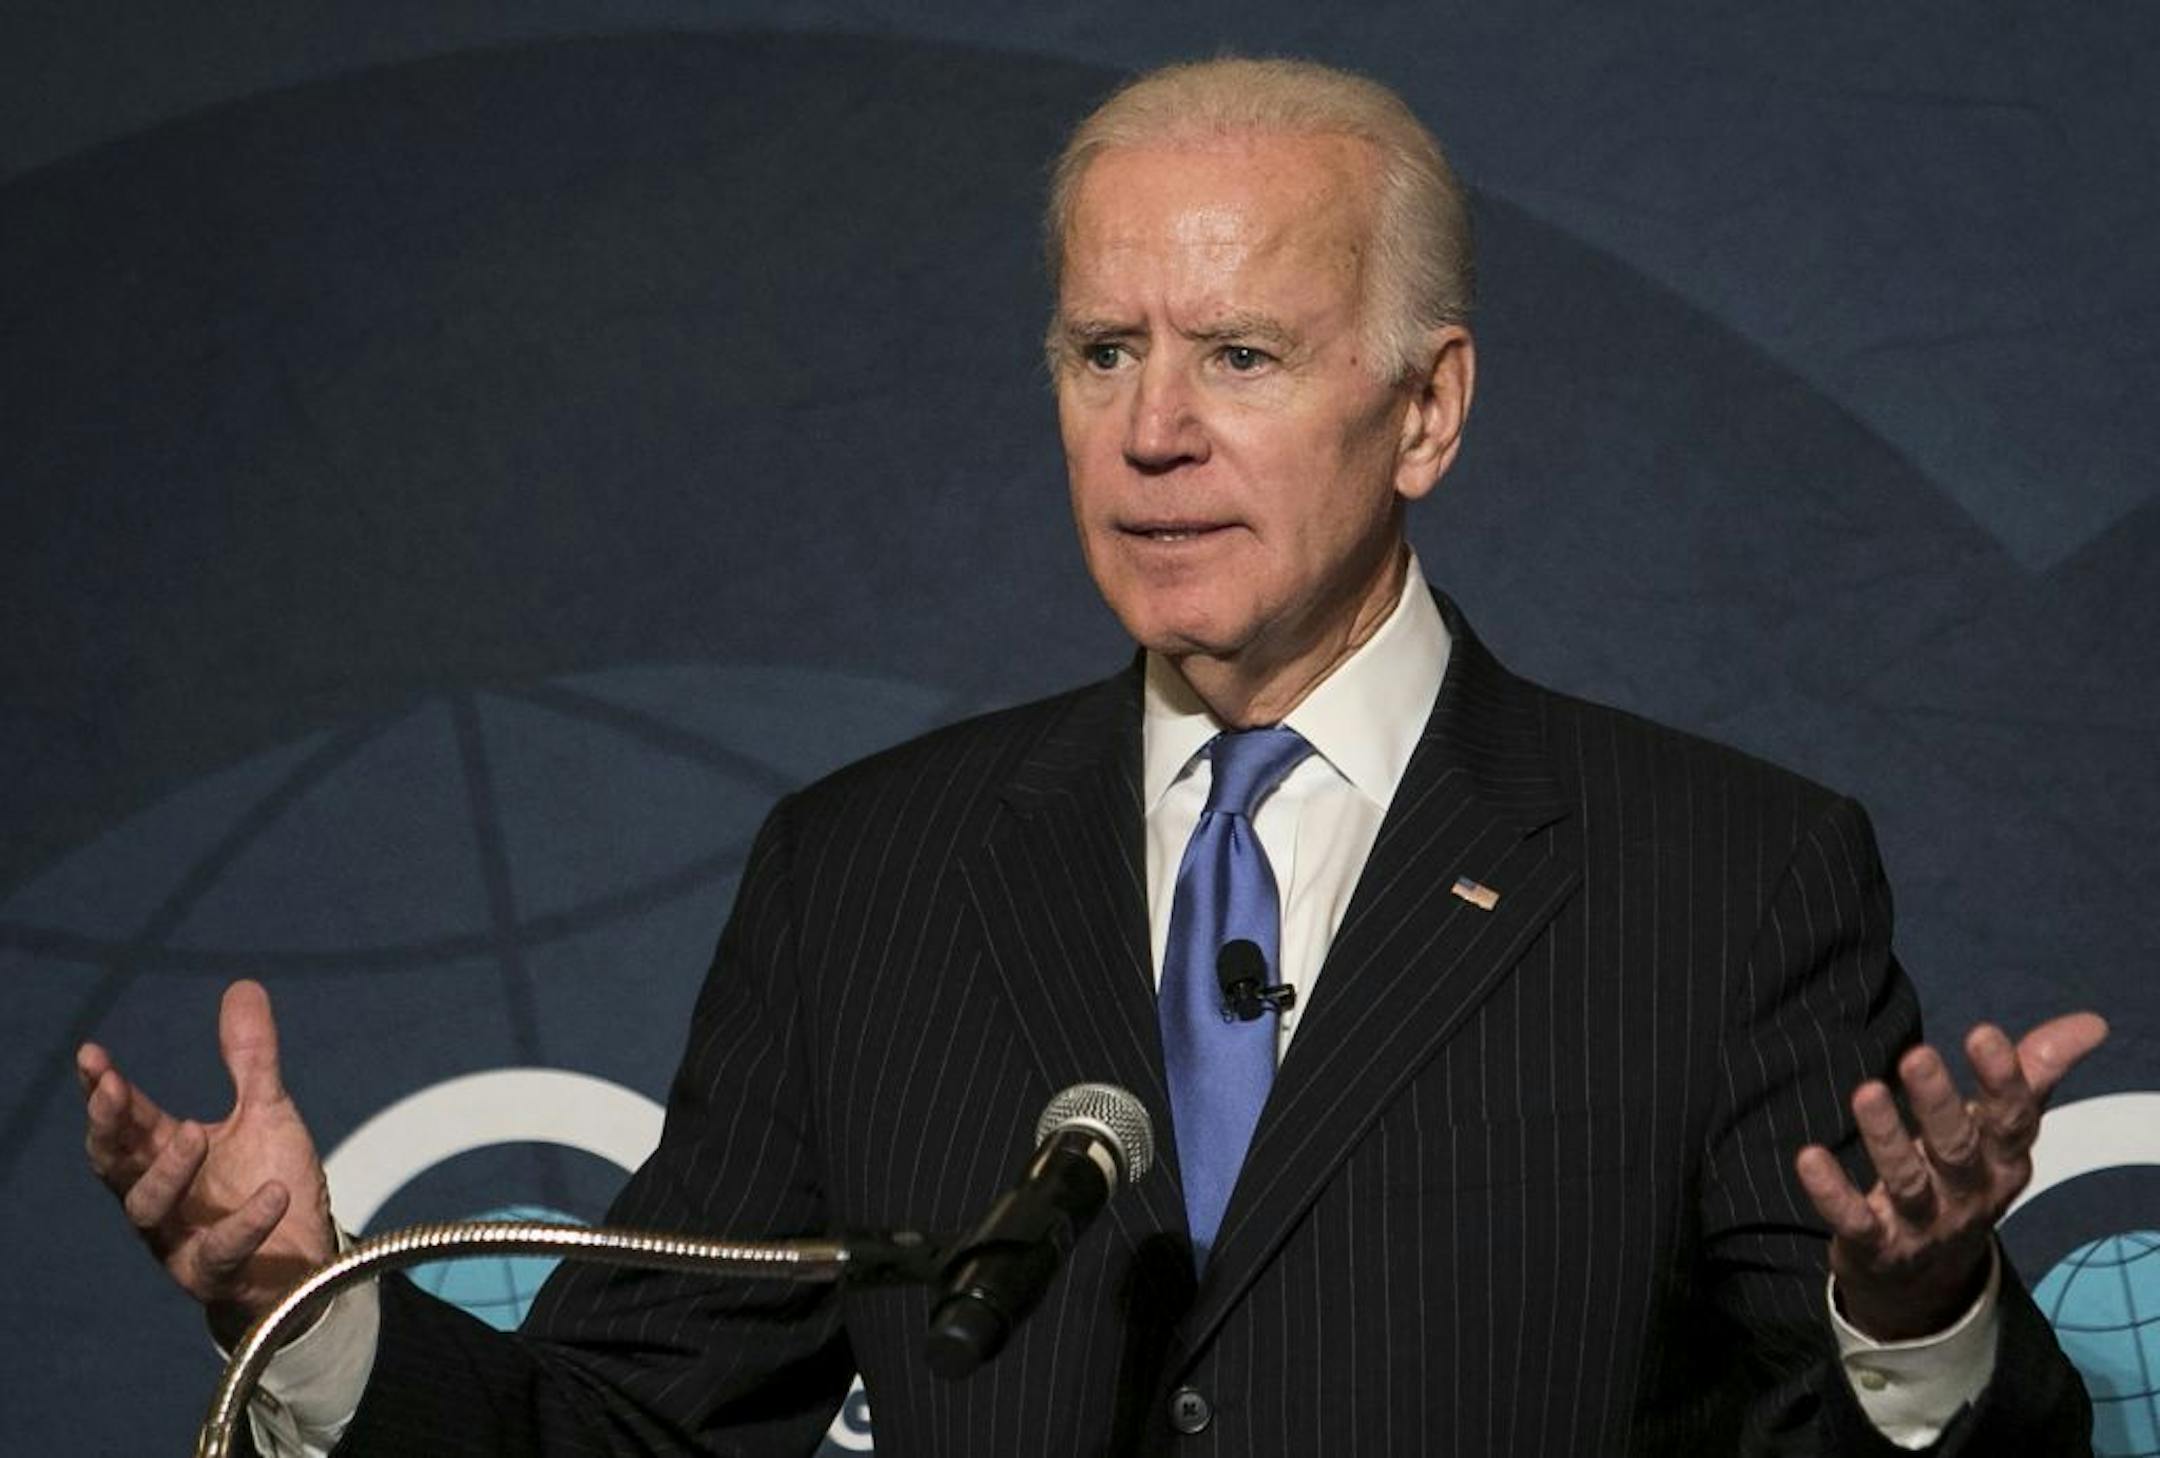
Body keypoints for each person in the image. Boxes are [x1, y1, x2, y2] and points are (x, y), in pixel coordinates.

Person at [80, 57, 2104, 1456]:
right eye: (1100, 351)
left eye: (1240, 354)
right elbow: (628, 1431)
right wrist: (311, 1301)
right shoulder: (863, 873)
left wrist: (1914, 1321)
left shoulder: (1717, 872)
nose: (1152, 434)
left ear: (1427, 412)